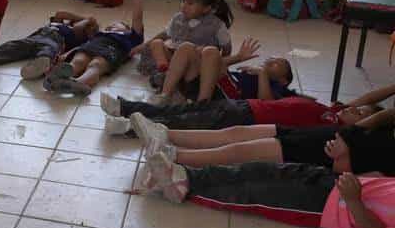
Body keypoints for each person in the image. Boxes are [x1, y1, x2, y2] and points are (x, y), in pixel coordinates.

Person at [139, 153, 395, 228]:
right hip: (332, 180)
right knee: (256, 170)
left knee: (254, 193)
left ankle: (182, 188)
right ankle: (188, 174)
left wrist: (353, 200)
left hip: (326, 207)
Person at [128, 112, 395, 175]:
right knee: (236, 132)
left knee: (238, 152)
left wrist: (342, 155)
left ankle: (174, 156)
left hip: (320, 153)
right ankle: (165, 133)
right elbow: (381, 118)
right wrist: (349, 133)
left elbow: (369, 175)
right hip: (318, 134)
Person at [100, 83, 392, 135]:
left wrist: (377, 117)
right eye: (362, 110)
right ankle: (125, 107)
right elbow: (369, 98)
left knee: (185, 124)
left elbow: (376, 116)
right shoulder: (336, 109)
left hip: (250, 119)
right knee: (182, 112)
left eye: (364, 116)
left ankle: (127, 127)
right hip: (244, 106)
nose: (359, 111)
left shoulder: (336, 127)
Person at [41, 0, 146, 96]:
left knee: (96, 65)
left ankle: (78, 83)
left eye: (120, 24)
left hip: (113, 49)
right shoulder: (100, 34)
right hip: (92, 45)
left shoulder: (131, 37)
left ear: (127, 29)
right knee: (78, 61)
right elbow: (80, 44)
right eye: (111, 25)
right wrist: (65, 56)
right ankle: (59, 78)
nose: (113, 25)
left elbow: (137, 16)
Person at [143, 0, 237, 103]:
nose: (183, 6)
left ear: (206, 8)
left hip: (196, 66)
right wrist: (143, 46)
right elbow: (165, 34)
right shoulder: (178, 18)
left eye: (190, 3)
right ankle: (164, 77)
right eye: (183, 1)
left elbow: (227, 49)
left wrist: (222, 66)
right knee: (156, 43)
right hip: (175, 60)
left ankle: (168, 88)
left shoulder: (217, 25)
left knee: (186, 47)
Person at [0, 10, 99, 78]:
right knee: (12, 46)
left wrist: (89, 22)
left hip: (55, 40)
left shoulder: (80, 36)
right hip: (36, 37)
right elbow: (60, 13)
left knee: (49, 49)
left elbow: (79, 29)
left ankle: (39, 65)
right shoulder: (62, 24)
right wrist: (85, 17)